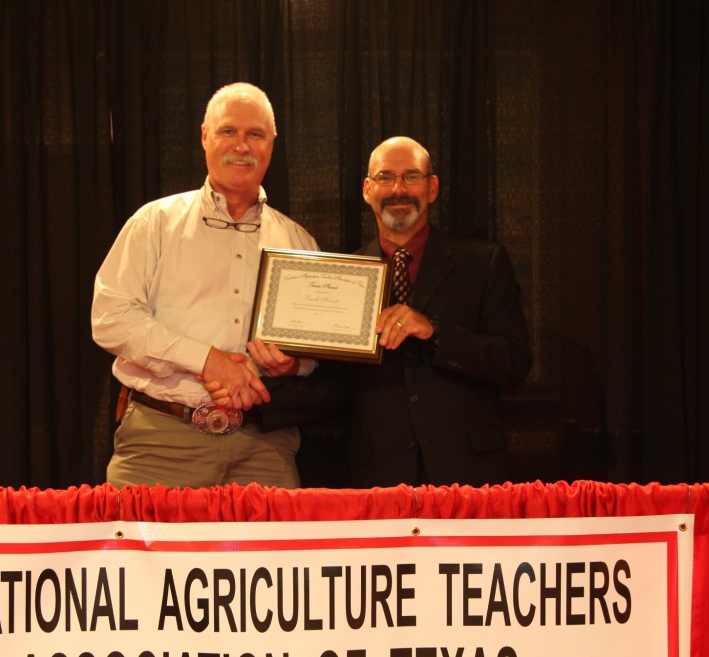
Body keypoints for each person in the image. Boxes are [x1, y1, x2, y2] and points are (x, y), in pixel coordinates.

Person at [210, 136, 532, 488]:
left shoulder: (483, 262)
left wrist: (435, 332)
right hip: (377, 477)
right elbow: (335, 386)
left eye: (411, 176)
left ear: (432, 187)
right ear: (367, 189)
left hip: (469, 474)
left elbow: (513, 362)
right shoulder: (345, 275)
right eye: (385, 178)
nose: (398, 189)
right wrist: (261, 392)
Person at [91, 82, 319, 489]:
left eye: (255, 134)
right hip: (160, 444)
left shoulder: (299, 242)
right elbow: (111, 319)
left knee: (271, 554)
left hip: (264, 447)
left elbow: (315, 351)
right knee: (140, 553)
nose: (242, 145)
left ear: (272, 144)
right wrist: (207, 360)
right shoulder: (154, 223)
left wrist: (293, 365)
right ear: (204, 136)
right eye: (228, 131)